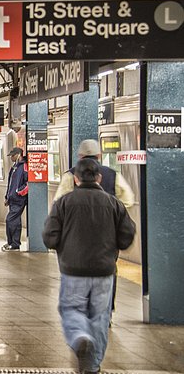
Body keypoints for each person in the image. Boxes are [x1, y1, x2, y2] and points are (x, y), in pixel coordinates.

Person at [43, 158, 136, 374]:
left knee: (71, 309)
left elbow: (49, 236)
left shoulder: (64, 203)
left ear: (75, 179)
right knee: (100, 317)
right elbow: (127, 236)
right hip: (104, 271)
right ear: (99, 178)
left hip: (73, 270)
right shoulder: (114, 203)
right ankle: (93, 366)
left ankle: (80, 337)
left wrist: (63, 247)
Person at [52, 138, 135, 319]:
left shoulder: (70, 175)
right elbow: (128, 199)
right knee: (108, 270)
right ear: (100, 155)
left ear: (80, 156)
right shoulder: (113, 175)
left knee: (78, 270)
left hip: (77, 235)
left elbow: (58, 203)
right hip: (106, 235)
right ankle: (106, 312)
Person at [3, 147, 29, 251]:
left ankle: (13, 244)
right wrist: (7, 197)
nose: (11, 158)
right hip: (12, 199)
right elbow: (10, 184)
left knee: (10, 220)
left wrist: (19, 192)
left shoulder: (24, 167)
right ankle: (14, 243)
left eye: (12, 155)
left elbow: (28, 183)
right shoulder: (14, 168)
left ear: (18, 154)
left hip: (19, 199)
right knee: (16, 221)